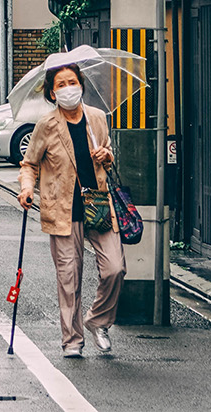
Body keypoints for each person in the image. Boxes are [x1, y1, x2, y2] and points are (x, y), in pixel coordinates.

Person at [16, 63, 124, 358]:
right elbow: (30, 164)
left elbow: (108, 154)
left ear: (81, 84)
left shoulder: (97, 119)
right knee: (69, 278)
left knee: (115, 268)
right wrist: (27, 189)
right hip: (63, 209)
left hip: (98, 205)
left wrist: (107, 154)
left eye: (72, 81)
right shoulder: (47, 125)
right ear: (52, 92)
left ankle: (97, 320)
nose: (68, 88)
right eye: (61, 84)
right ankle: (72, 341)